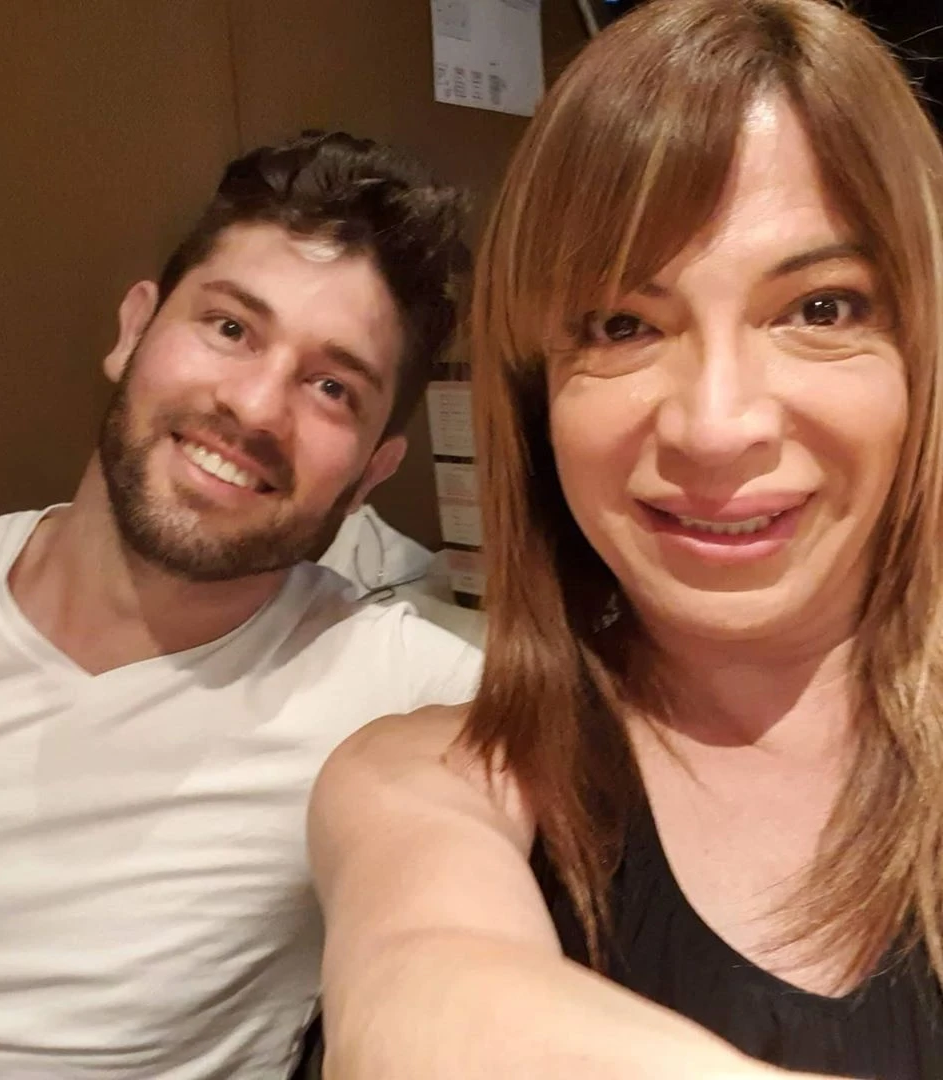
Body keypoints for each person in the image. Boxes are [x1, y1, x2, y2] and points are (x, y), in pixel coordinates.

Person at [308, 2, 943, 1077]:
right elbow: (423, 995)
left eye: (822, 309)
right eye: (622, 325)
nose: (715, 426)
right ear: (535, 399)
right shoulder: (425, 780)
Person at [0, 131, 481, 1079]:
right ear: (134, 330)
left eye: (332, 387)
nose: (256, 408)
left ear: (372, 473)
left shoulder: (399, 690)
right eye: (230, 328)